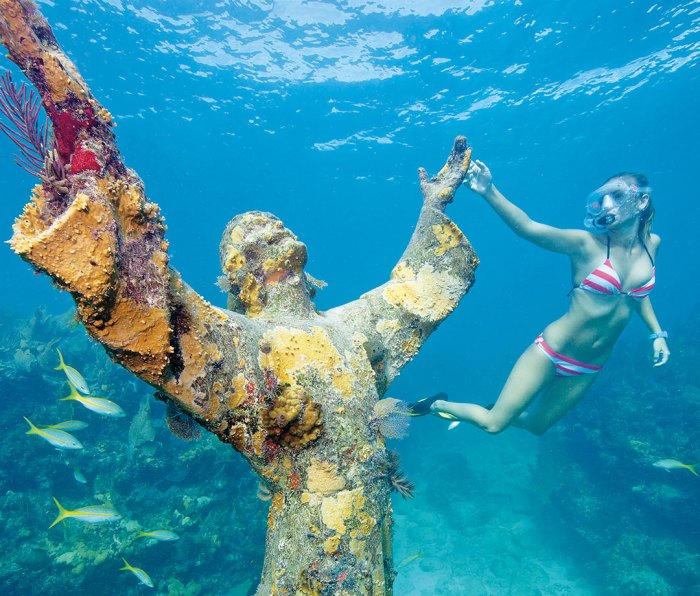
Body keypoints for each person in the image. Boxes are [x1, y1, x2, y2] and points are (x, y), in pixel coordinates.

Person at [428, 159, 670, 435]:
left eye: (616, 196)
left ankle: (502, 409)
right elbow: (528, 228)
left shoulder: (653, 245)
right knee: (493, 425)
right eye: (602, 198)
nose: (605, 204)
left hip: (589, 365)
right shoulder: (586, 244)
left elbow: (636, 295)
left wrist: (657, 333)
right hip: (552, 351)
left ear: (641, 201)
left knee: (537, 425)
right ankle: (435, 405)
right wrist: (489, 191)